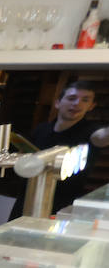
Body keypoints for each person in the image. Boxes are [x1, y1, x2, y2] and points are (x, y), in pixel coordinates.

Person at [27, 80, 109, 214]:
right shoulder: (41, 130)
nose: (77, 103)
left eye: (85, 100)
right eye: (72, 98)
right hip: (27, 200)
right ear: (57, 102)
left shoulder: (91, 132)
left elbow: (102, 137)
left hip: (62, 208)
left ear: (91, 106)